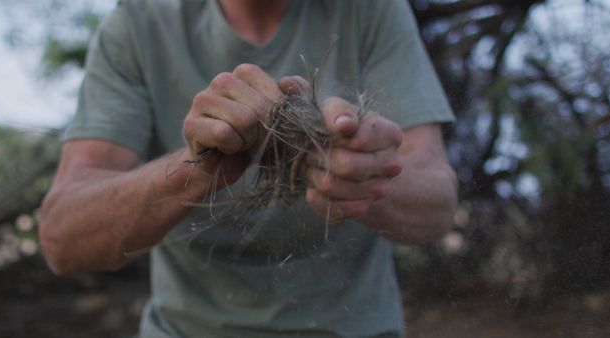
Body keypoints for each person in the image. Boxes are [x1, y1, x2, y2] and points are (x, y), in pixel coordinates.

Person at [39, 0, 458, 337]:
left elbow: (437, 207)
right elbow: (62, 237)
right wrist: (197, 166)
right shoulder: (138, 23)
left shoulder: (371, 10)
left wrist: (359, 170)